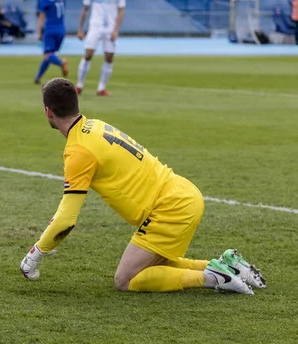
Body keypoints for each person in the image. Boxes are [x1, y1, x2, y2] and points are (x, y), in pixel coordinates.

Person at [19, 78, 267, 295]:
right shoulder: (94, 125)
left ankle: (216, 278)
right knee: (152, 265)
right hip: (182, 191)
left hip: (169, 208)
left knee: (126, 280)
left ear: (48, 112)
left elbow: (67, 219)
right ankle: (227, 265)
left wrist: (36, 253)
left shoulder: (78, 150)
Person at [75, 0, 125, 96]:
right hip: (95, 26)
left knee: (109, 56)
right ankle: (79, 85)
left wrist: (116, 29)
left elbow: (121, 10)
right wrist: (80, 28)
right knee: (88, 54)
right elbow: (85, 8)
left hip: (110, 28)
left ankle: (101, 88)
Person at [34, 0, 68, 85]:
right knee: (49, 54)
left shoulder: (45, 1)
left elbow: (41, 16)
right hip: (61, 30)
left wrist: (39, 32)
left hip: (50, 29)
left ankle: (61, 63)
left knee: (47, 54)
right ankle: (38, 77)